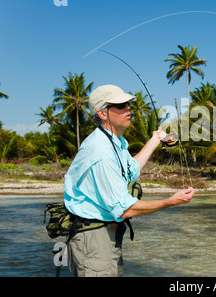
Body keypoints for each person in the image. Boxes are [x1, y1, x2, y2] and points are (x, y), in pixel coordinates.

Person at [63, 84, 194, 277]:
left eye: (127, 103)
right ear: (102, 113)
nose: (128, 108)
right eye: (120, 105)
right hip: (94, 239)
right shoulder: (101, 151)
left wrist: (154, 141)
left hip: (107, 233)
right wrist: (170, 201)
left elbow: (130, 170)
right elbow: (124, 209)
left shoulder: (115, 141)